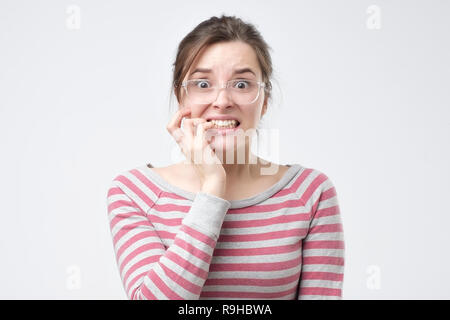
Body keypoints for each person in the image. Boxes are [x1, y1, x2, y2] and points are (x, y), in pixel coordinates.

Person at [106, 14, 345, 300]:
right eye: (203, 84)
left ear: (265, 100)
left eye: (242, 84)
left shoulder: (311, 192)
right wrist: (213, 186)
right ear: (182, 99)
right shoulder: (133, 192)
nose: (222, 101)